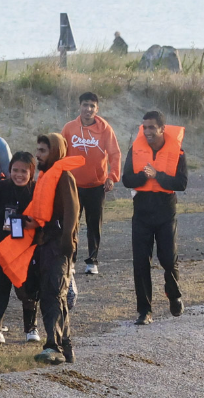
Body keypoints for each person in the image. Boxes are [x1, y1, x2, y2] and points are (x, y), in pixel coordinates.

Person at [121, 111, 187, 325]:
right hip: (141, 212)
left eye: (151, 127)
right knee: (140, 263)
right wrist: (144, 176)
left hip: (165, 211)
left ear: (162, 129)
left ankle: (174, 293)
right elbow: (127, 179)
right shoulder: (135, 148)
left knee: (168, 259)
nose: (147, 131)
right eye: (145, 127)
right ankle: (144, 311)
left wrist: (157, 175)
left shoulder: (178, 152)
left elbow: (181, 183)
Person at [30, 134, 81, 364]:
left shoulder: (64, 177)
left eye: (43, 151)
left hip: (59, 243)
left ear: (55, 152)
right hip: (46, 241)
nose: (38, 155)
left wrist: (68, 241)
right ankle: (65, 346)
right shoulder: (45, 176)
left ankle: (54, 346)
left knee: (55, 292)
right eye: (37, 150)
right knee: (50, 293)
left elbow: (73, 210)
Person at [61, 92, 121, 275]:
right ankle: (70, 261)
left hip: (96, 185)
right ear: (79, 106)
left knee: (94, 224)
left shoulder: (105, 129)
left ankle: (92, 261)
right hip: (73, 185)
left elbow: (115, 154)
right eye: (85, 105)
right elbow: (61, 152)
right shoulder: (69, 128)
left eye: (92, 106)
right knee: (70, 224)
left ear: (97, 109)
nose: (88, 109)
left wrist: (112, 176)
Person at [0, 152, 38, 344]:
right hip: (5, 245)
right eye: (15, 170)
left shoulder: (37, 190)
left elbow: (41, 218)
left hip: (28, 247)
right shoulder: (1, 187)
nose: (19, 175)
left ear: (32, 172)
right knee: (0, 285)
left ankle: (31, 328)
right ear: (9, 170)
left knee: (27, 287)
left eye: (24, 171)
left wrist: (24, 223)